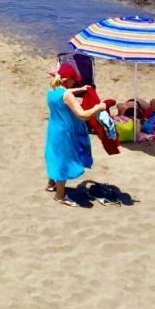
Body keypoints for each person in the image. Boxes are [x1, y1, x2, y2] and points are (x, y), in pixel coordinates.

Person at [44, 62, 106, 205]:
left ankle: (50, 184)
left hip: (53, 128)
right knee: (63, 160)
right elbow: (82, 115)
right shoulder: (66, 95)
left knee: (54, 155)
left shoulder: (52, 88)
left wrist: (81, 89)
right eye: (73, 80)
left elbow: (65, 90)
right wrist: (99, 107)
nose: (75, 82)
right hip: (64, 132)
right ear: (67, 80)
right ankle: (60, 196)